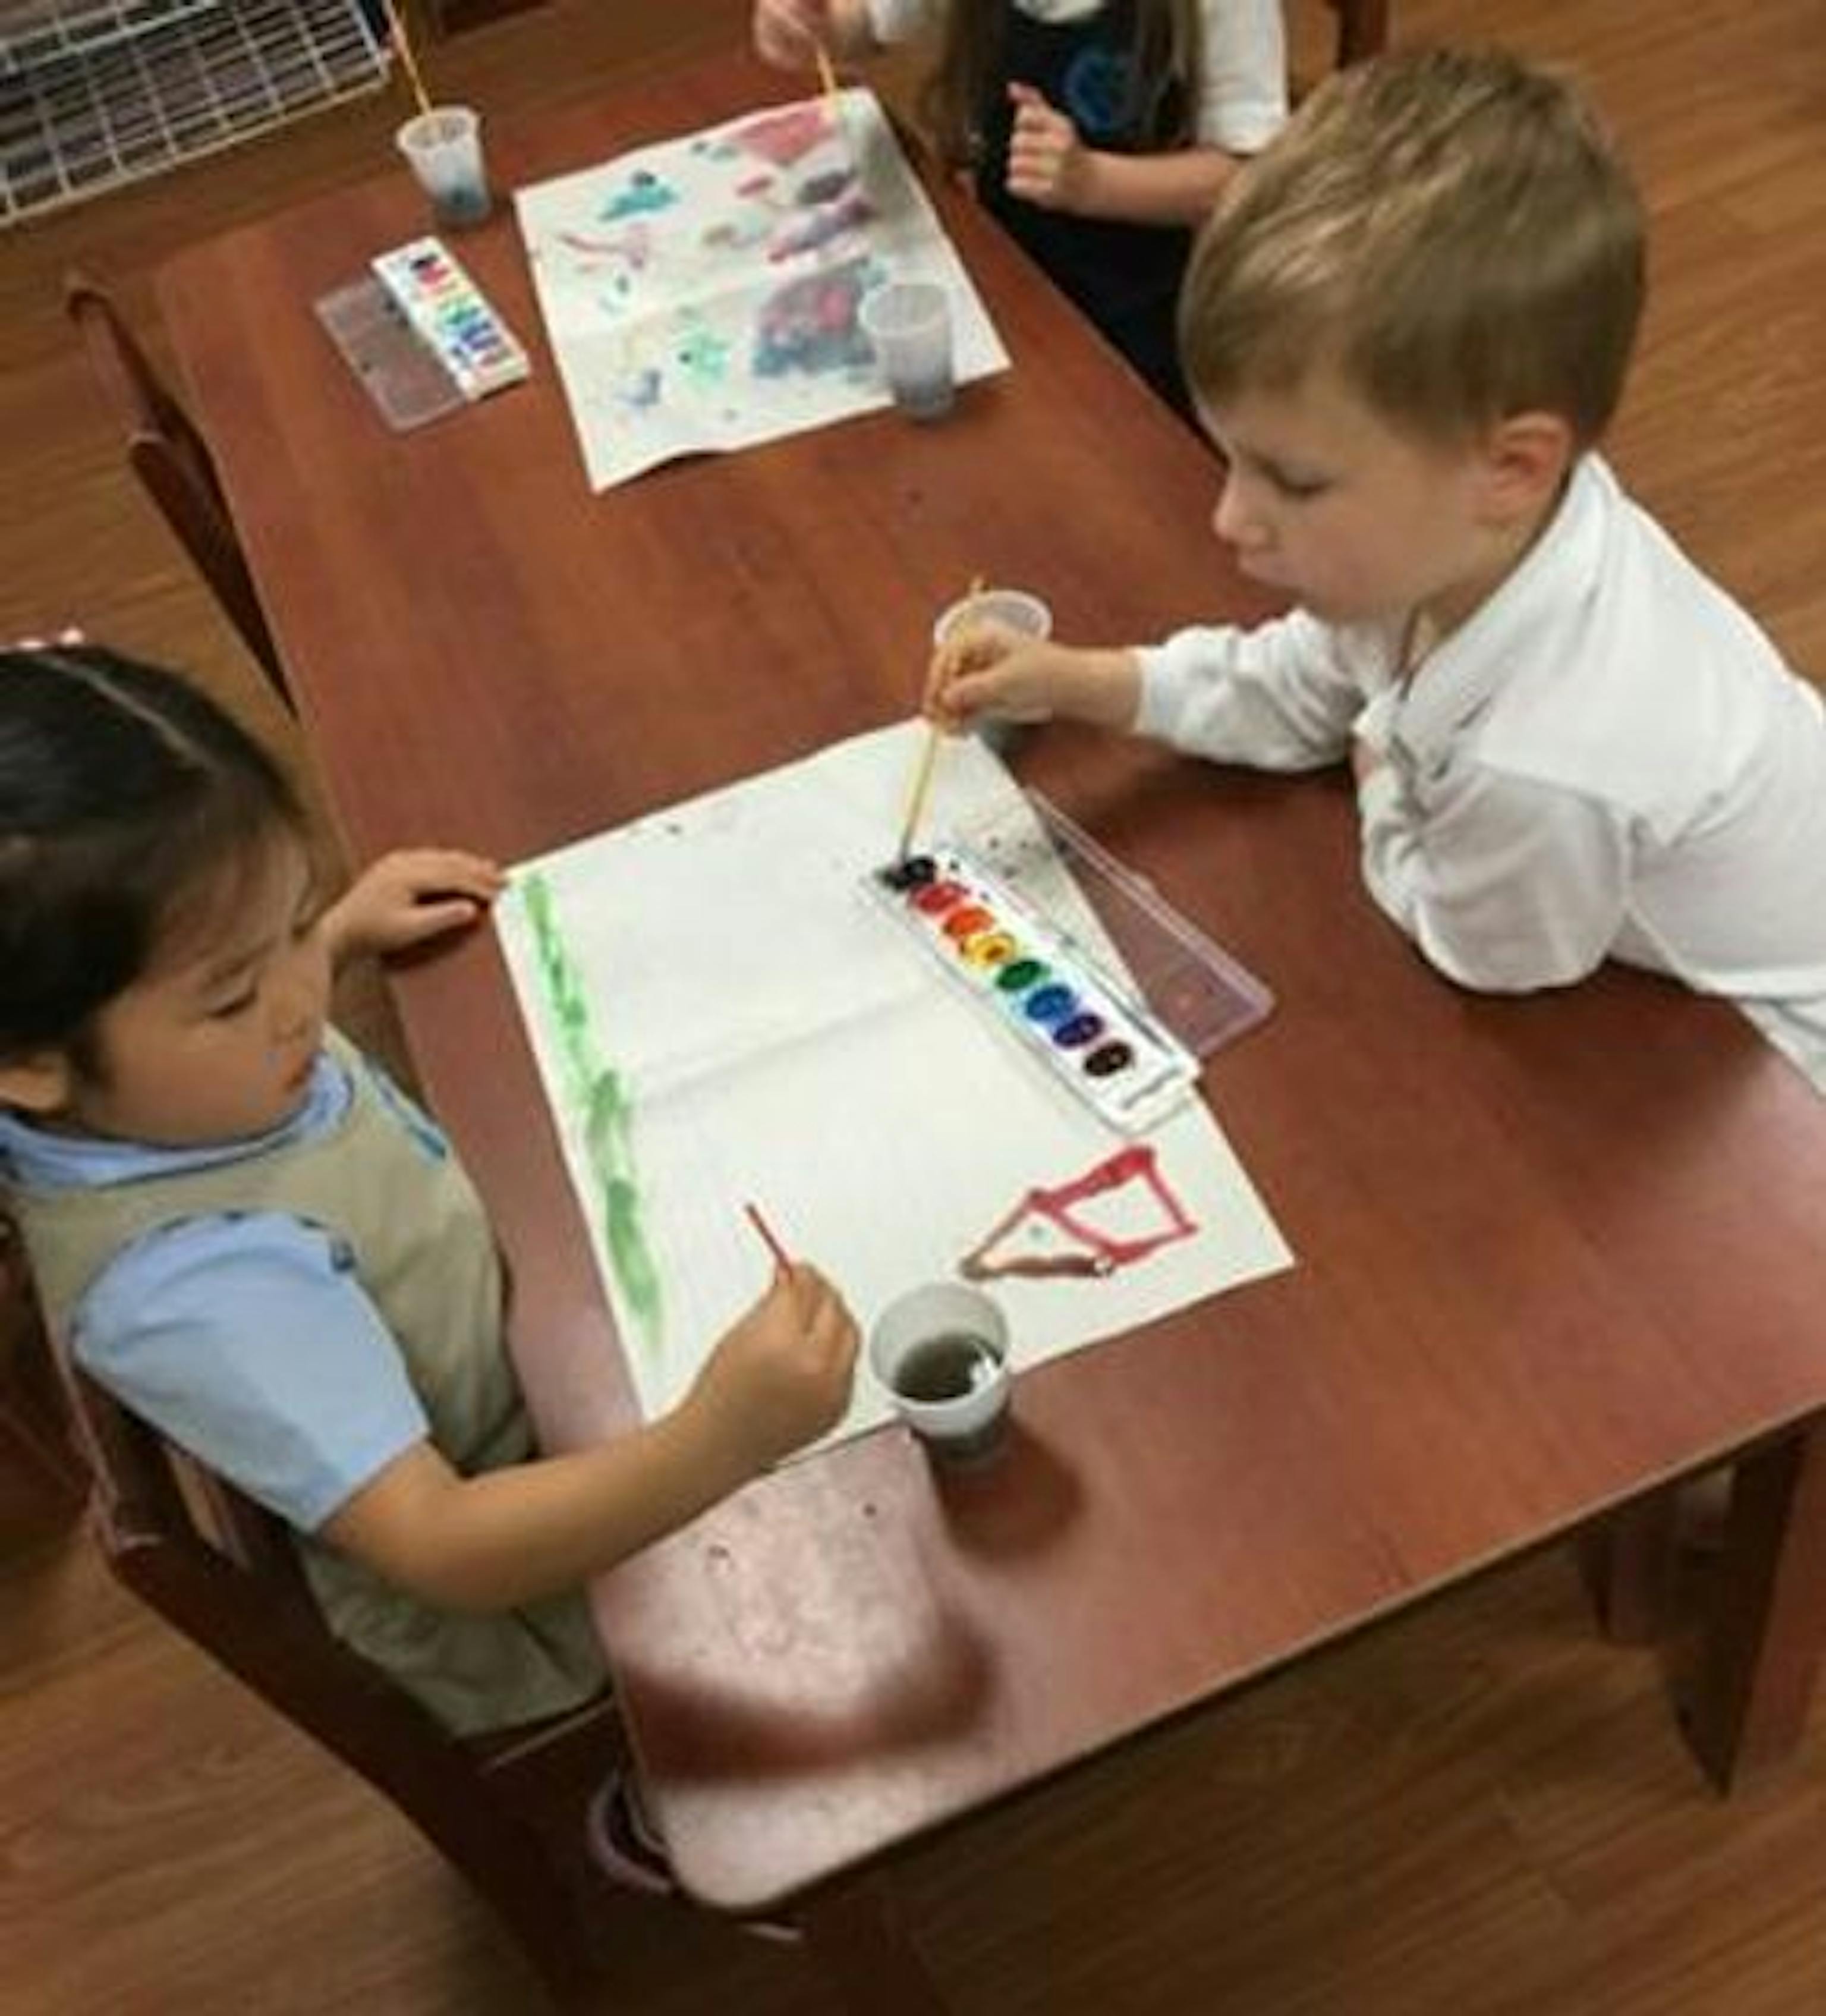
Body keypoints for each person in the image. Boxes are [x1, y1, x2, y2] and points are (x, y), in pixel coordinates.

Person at [0, 646, 860, 1847]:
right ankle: (650, 1810)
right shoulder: (203, 1288)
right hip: (520, 1579)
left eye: (293, 919)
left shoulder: (166, 1085)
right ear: (31, 1065)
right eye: (235, 990)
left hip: (507, 1353)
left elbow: (252, 979)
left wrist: (341, 929)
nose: (299, 1002)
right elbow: (449, 1550)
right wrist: (726, 1435)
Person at [924, 46, 1826, 1088]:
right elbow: (1292, 684)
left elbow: (1490, 952)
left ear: (1511, 467)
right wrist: (1076, 681)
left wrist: (1381, 781)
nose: (1228, 519)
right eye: (1234, 460)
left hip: (1780, 1066)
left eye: (1293, 482)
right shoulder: (1456, 543)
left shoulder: (1541, 760)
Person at [752, 0, 1287, 417]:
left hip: (1139, 324)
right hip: (1001, 273)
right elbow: (868, 23)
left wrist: (1095, 182)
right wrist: (813, 27)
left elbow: (1245, 178)